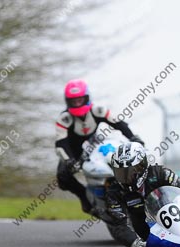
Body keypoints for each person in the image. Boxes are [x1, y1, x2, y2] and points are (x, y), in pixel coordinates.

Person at [55, 79, 144, 214]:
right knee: (63, 178)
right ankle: (85, 198)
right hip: (74, 153)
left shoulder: (98, 111)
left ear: (87, 98)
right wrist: (69, 160)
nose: (77, 104)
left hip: (94, 147)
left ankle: (131, 191)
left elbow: (119, 124)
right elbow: (61, 143)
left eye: (80, 100)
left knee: (116, 160)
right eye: (73, 101)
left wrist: (133, 138)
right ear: (68, 102)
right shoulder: (64, 119)